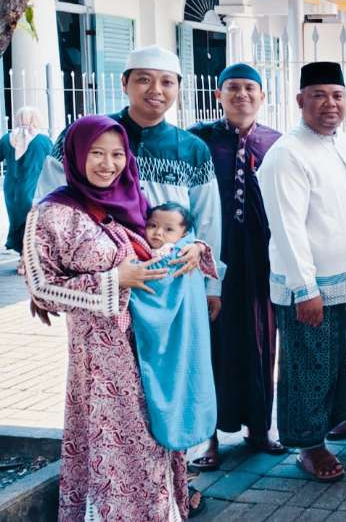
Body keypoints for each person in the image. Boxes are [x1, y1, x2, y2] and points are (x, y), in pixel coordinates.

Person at [22, 115, 205, 519]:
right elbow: (41, 287)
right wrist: (112, 281)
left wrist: (195, 247)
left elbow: (163, 243)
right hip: (101, 366)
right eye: (97, 154)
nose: (109, 164)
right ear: (75, 155)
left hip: (152, 352)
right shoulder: (52, 213)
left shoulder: (132, 201)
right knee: (115, 450)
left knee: (153, 444)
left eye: (118, 154)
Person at [258, 61, 346, 483]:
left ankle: (342, 418)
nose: (330, 104)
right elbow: (287, 227)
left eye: (337, 95)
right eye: (319, 96)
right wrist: (304, 289)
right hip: (314, 289)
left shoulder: (341, 142)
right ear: (300, 101)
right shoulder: (286, 154)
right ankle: (309, 446)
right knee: (310, 368)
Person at [35, 45, 224, 326]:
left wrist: (212, 285)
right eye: (144, 79)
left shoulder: (192, 149)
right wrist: (44, 277)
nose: (156, 90)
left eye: (167, 82)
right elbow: (47, 204)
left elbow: (207, 219)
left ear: (178, 88)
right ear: (124, 83)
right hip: (104, 280)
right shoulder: (88, 135)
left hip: (172, 282)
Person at [188, 63, 285, 470]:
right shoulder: (198, 141)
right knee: (213, 343)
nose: (242, 95)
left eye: (250, 88)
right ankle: (208, 438)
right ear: (218, 96)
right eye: (233, 88)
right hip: (214, 263)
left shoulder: (277, 143)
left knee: (263, 342)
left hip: (261, 262)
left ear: (262, 97)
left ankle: (259, 429)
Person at [129, 202, 219, 454]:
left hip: (182, 328)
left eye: (168, 229)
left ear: (184, 234)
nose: (158, 233)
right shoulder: (143, 251)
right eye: (152, 226)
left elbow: (161, 281)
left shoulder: (180, 253)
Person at [0, 107, 52, 253]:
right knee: (34, 224)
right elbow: (55, 161)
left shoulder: (6, 139)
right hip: (35, 188)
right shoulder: (42, 140)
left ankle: (22, 255)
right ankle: (28, 258)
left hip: (11, 190)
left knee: (17, 221)